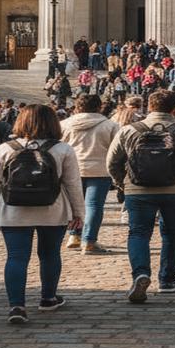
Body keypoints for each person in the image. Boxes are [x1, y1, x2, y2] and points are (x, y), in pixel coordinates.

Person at [106, 89, 175, 303]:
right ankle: (167, 279)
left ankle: (141, 273)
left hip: (137, 189)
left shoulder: (129, 130)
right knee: (172, 234)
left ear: (149, 107)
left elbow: (112, 162)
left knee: (138, 234)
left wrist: (122, 183)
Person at [0, 104, 85, 324]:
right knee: (50, 254)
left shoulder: (5, 148)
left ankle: (16, 305)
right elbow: (72, 184)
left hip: (13, 209)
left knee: (16, 257)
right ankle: (48, 297)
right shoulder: (62, 149)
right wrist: (78, 212)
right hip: (52, 209)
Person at [60, 93, 120, 253]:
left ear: (77, 107)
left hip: (71, 169)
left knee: (74, 205)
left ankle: (74, 235)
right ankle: (89, 240)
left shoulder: (65, 124)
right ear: (99, 107)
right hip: (99, 170)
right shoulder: (110, 125)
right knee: (94, 206)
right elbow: (117, 150)